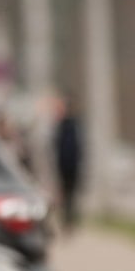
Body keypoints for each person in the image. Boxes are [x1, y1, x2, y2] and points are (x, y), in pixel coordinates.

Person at [54, 97, 83, 232]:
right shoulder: (64, 126)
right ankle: (67, 221)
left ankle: (70, 220)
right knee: (66, 195)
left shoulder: (74, 125)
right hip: (64, 166)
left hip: (72, 166)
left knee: (71, 195)